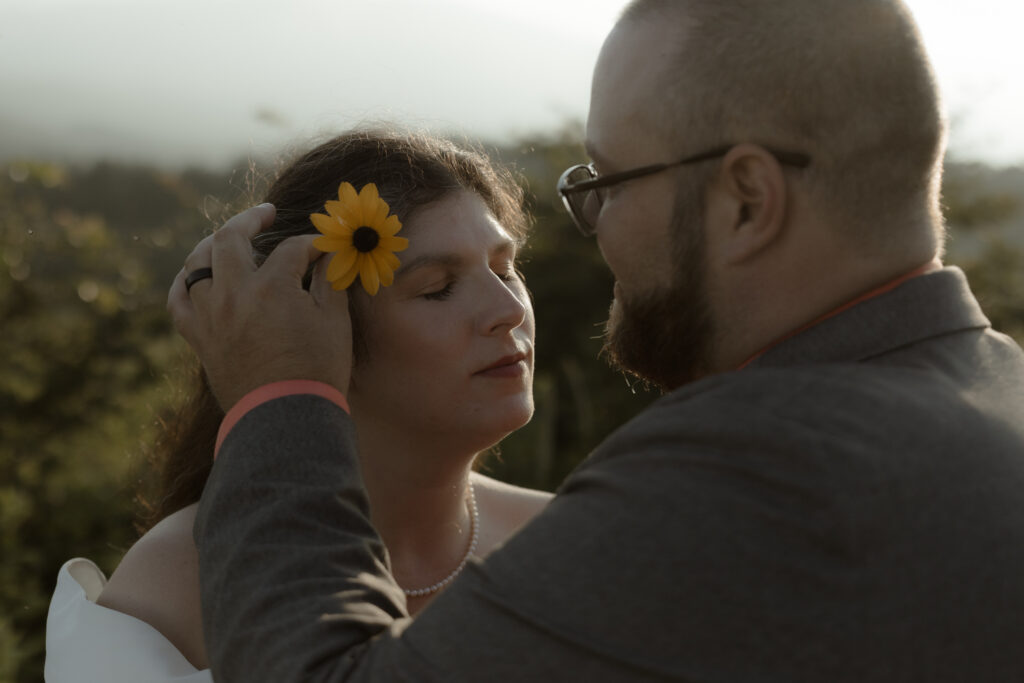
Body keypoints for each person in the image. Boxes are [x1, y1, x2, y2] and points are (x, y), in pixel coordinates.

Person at [177, 0, 1024, 681]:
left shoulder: (761, 468)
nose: (598, 230)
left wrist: (279, 394)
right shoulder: (998, 391)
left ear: (747, 202)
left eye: (610, 183)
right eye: (436, 284)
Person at [44, 129, 553, 682]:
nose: (507, 308)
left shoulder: (565, 539)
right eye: (436, 287)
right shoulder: (175, 586)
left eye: (506, 269)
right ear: (317, 329)